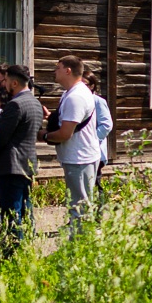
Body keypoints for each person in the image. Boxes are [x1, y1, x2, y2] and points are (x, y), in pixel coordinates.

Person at [0, 63, 41, 256]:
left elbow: (3, 137)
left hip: (11, 164)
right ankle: (27, 247)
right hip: (28, 163)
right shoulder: (34, 102)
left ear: (14, 82)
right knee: (26, 209)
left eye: (6, 82)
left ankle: (13, 252)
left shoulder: (15, 104)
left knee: (12, 211)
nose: (5, 86)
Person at [45, 55, 100, 231]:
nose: (55, 71)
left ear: (68, 70)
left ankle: (82, 249)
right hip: (77, 156)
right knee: (78, 204)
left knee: (80, 207)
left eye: (58, 67)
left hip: (80, 158)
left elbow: (65, 133)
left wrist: (43, 136)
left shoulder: (76, 96)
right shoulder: (69, 93)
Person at [84, 69, 114, 183]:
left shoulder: (98, 101)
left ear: (92, 86)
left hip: (95, 151)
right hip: (84, 152)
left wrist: (91, 140)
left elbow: (106, 125)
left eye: (84, 84)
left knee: (95, 185)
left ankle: (101, 201)